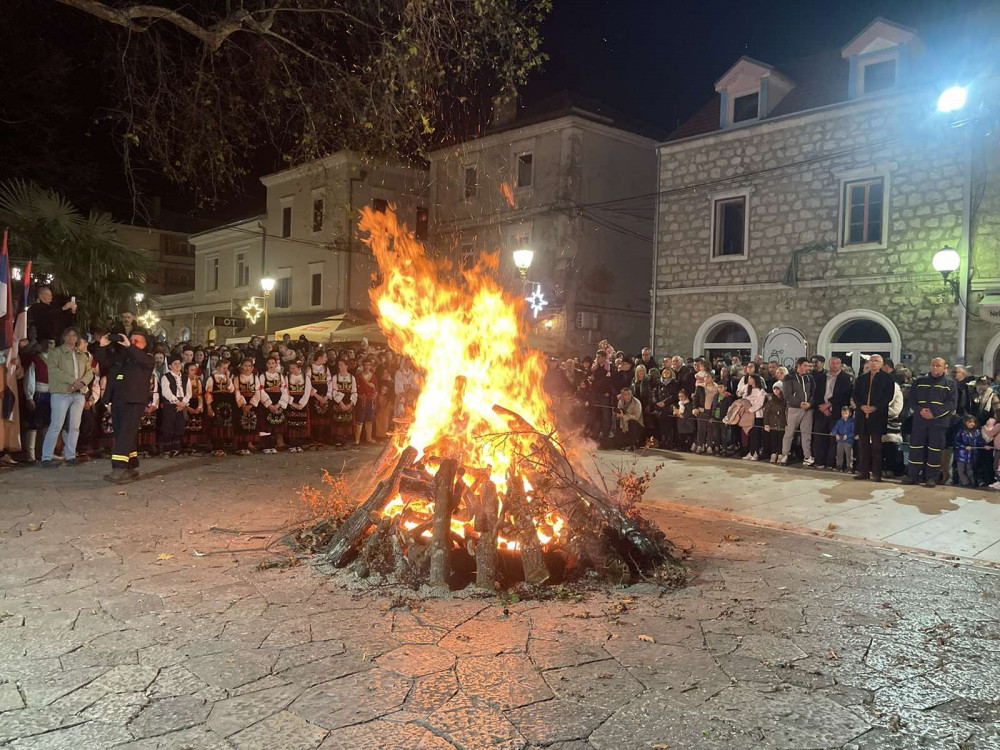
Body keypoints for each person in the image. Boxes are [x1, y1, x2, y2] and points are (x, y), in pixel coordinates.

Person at [94, 330, 155, 482]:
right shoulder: (121, 356)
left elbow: (142, 360)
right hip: (118, 400)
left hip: (134, 401)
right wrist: (102, 346)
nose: (132, 343)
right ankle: (131, 466)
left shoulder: (147, 358)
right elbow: (104, 365)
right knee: (123, 432)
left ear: (144, 345)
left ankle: (119, 467)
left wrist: (129, 346)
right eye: (131, 339)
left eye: (136, 341)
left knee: (125, 433)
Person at [40, 327, 94, 468]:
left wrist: (81, 383)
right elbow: (54, 371)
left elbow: (89, 372)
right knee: (56, 424)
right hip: (61, 392)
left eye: (74, 335)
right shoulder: (55, 352)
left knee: (74, 426)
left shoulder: (82, 355)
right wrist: (73, 381)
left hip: (78, 393)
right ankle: (46, 457)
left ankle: (70, 455)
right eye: (69, 335)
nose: (72, 338)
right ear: (63, 337)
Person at [903, 357, 958, 488]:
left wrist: (934, 413)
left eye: (938, 365)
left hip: (938, 423)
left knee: (935, 450)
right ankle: (913, 476)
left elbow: (951, 404)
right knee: (916, 448)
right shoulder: (919, 381)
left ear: (945, 368)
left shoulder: (950, 384)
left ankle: (932, 478)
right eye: (933, 365)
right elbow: (912, 399)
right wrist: (920, 410)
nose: (935, 368)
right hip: (920, 421)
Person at [816, 357, 854, 469]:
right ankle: (820, 461)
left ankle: (831, 462)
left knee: (834, 438)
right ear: (829, 364)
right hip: (822, 411)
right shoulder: (822, 377)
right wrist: (823, 408)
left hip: (837, 412)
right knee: (820, 437)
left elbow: (843, 394)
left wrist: (829, 404)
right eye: (833, 363)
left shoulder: (845, 378)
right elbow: (817, 393)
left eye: (837, 363)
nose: (835, 365)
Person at [779, 358, 815, 465]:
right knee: (789, 433)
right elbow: (787, 394)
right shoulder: (789, 377)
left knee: (806, 434)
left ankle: (807, 456)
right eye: (805, 365)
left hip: (808, 409)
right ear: (799, 365)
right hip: (794, 409)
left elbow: (813, 393)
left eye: (808, 366)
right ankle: (785, 455)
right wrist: (799, 403)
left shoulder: (810, 378)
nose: (808, 368)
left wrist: (810, 404)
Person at [159, 356, 191, 458]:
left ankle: (176, 448)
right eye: (175, 363)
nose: (178, 365)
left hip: (182, 404)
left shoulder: (185, 377)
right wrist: (177, 402)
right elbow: (166, 392)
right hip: (170, 405)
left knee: (179, 426)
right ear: (169, 366)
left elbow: (188, 392)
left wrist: (184, 403)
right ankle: (167, 450)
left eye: (179, 363)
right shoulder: (166, 377)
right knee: (168, 426)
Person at [257, 357, 289, 454]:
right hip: (267, 403)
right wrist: (269, 404)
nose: (271, 365)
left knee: (278, 423)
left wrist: (279, 404)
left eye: (273, 363)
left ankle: (278, 444)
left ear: (276, 364)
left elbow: (285, 390)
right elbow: (261, 390)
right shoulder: (262, 376)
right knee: (266, 425)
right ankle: (267, 446)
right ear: (266, 365)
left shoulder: (280, 375)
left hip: (278, 401)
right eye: (269, 363)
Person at [205, 358, 236, 456]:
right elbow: (208, 393)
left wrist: (227, 377)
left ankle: (223, 446)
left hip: (227, 404)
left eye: (227, 368)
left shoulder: (228, 378)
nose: (226, 370)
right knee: (216, 424)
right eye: (224, 368)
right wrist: (209, 406)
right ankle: (216, 447)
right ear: (218, 367)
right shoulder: (212, 378)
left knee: (225, 424)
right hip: (216, 403)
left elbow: (231, 389)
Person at [234, 358, 260, 455]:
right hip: (242, 403)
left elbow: (257, 391)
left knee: (250, 425)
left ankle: (247, 445)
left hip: (252, 403)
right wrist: (243, 404)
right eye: (245, 365)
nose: (247, 368)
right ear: (241, 367)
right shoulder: (237, 378)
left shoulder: (255, 378)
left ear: (252, 367)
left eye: (249, 366)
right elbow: (237, 391)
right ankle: (240, 447)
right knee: (241, 424)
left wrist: (251, 404)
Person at [285, 360, 312, 452]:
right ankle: (292, 444)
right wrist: (292, 403)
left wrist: (301, 404)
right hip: (291, 402)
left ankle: (299, 444)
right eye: (290, 368)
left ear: (299, 367)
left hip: (301, 403)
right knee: (291, 424)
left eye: (294, 368)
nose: (292, 370)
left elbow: (307, 391)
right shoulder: (287, 377)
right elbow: (285, 391)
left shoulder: (305, 377)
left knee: (301, 424)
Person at [331, 358, 358, 447]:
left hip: (348, 400)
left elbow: (354, 391)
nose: (340, 367)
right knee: (338, 421)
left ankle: (345, 440)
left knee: (347, 421)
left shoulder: (352, 377)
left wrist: (350, 404)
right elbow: (334, 391)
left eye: (342, 365)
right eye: (339, 365)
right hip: (339, 402)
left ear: (346, 366)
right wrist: (341, 403)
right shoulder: (335, 377)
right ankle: (338, 440)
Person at [953, 414, 984, 487]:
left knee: (970, 470)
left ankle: (972, 483)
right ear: (965, 422)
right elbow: (956, 442)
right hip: (961, 455)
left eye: (973, 422)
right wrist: (964, 447)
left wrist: (984, 445)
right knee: (961, 470)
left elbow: (979, 441)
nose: (972, 424)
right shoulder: (961, 431)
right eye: (970, 422)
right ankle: (965, 483)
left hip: (971, 454)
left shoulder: (976, 432)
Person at [692, 371, 717, 454]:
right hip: (702, 410)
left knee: (710, 429)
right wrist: (695, 408)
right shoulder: (700, 387)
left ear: (712, 379)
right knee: (701, 429)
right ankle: (699, 445)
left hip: (712, 410)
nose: (706, 378)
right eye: (705, 377)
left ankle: (709, 445)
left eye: (708, 377)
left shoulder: (716, 388)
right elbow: (695, 398)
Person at [354, 357, 377, 446]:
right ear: (363, 365)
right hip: (361, 400)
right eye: (366, 365)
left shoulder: (373, 376)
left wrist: (375, 395)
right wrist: (359, 396)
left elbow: (376, 388)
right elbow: (355, 388)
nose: (367, 367)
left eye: (369, 365)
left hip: (370, 401)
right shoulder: (359, 376)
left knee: (369, 419)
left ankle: (369, 438)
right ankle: (357, 440)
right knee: (359, 419)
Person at [762, 383, 787, 463]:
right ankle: (773, 453)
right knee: (773, 439)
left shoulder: (785, 401)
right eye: (774, 389)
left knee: (781, 439)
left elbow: (786, 412)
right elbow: (766, 413)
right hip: (772, 423)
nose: (776, 391)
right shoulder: (771, 400)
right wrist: (766, 423)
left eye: (777, 389)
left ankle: (780, 453)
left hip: (782, 424)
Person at [709, 380, 734, 455]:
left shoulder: (728, 397)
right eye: (718, 387)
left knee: (724, 435)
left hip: (724, 419)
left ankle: (724, 449)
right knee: (716, 434)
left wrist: (728, 419)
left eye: (721, 387)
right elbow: (712, 406)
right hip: (715, 418)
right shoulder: (716, 396)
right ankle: (717, 449)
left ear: (725, 388)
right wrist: (711, 416)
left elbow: (731, 409)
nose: (719, 389)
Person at [831, 406, 855, 472]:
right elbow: (834, 429)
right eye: (843, 413)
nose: (844, 415)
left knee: (849, 455)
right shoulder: (839, 421)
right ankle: (839, 466)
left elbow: (854, 432)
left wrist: (848, 435)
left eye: (846, 413)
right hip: (840, 441)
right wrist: (836, 434)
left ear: (850, 413)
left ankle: (849, 467)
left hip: (848, 441)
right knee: (839, 454)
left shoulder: (852, 421)